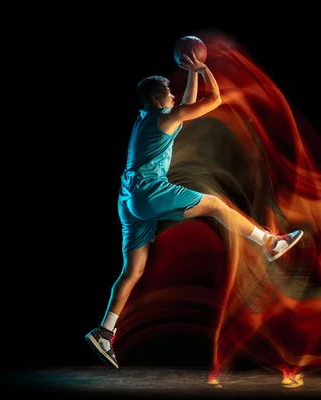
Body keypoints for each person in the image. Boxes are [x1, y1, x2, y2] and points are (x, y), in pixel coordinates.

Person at [85, 50, 304, 368]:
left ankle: (103, 332)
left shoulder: (147, 118)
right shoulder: (165, 117)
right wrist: (202, 68)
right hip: (149, 193)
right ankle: (270, 243)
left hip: (128, 200)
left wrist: (191, 74)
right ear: (160, 99)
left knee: (132, 271)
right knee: (215, 205)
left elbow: (185, 105)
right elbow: (213, 101)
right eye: (169, 93)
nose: (174, 96)